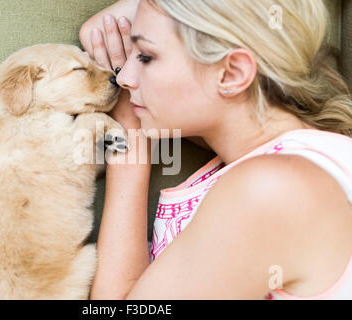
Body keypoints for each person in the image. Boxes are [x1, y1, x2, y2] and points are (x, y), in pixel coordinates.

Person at [79, 0, 352, 299]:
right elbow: (97, 31)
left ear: (232, 73)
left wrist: (128, 139)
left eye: (145, 56)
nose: (124, 78)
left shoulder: (270, 190)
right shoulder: (295, 155)